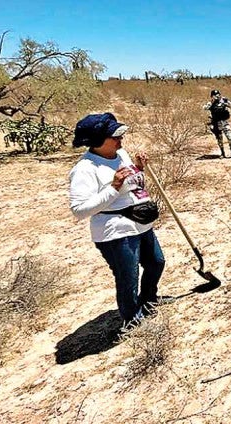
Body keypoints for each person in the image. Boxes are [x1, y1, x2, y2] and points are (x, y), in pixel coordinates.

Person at [68, 113, 166, 330]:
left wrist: (139, 169)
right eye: (114, 136)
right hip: (115, 230)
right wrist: (112, 188)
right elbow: (78, 211)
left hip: (140, 222)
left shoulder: (121, 153)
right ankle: (133, 319)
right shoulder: (85, 169)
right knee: (128, 277)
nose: (120, 139)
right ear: (97, 141)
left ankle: (148, 300)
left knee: (156, 263)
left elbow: (130, 185)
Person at [204, 89, 231, 158]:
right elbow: (204, 108)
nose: (217, 96)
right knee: (220, 140)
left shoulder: (224, 100)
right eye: (215, 95)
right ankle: (222, 153)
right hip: (216, 123)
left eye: (218, 94)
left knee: (230, 138)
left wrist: (225, 103)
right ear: (212, 96)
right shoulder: (211, 103)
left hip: (224, 122)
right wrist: (212, 103)